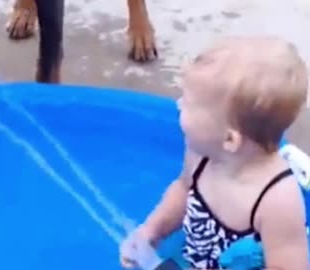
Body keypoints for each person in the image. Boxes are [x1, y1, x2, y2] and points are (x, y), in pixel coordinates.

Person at [119, 36, 310, 269]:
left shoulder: (277, 200)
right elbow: (183, 189)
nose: (178, 105)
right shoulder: (201, 154)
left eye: (188, 103)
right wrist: (152, 231)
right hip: (192, 259)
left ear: (229, 139)